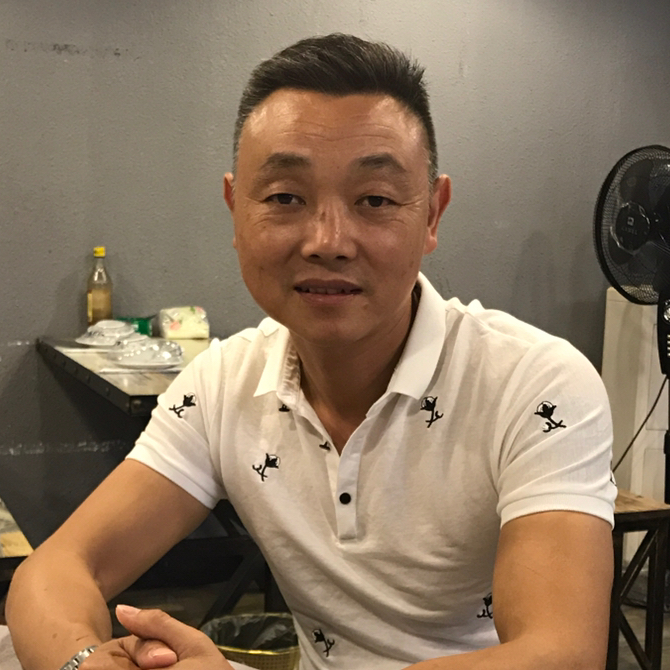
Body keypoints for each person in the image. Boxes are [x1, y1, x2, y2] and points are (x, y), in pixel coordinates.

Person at [6, 33, 616, 670]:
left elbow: (560, 654)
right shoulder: (222, 386)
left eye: (375, 200)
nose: (329, 240)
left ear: (433, 214)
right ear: (235, 209)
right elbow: (55, 570)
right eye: (284, 198)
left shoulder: (534, 384)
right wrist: (84, 664)